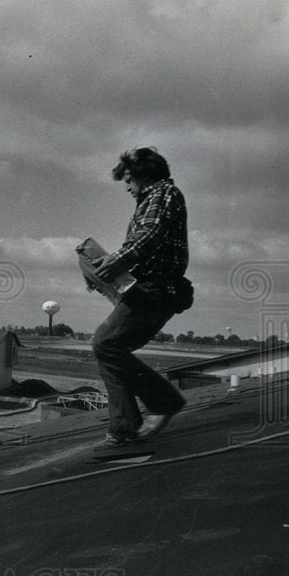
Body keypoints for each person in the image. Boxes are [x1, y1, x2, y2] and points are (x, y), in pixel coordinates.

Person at [91, 147, 190, 447]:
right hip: (150, 288)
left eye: (130, 180)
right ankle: (143, 415)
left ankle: (137, 420)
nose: (127, 187)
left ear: (144, 175)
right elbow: (149, 241)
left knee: (106, 344)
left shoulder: (163, 194)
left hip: (156, 289)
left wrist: (119, 259)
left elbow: (152, 231)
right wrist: (106, 276)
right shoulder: (153, 199)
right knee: (112, 347)